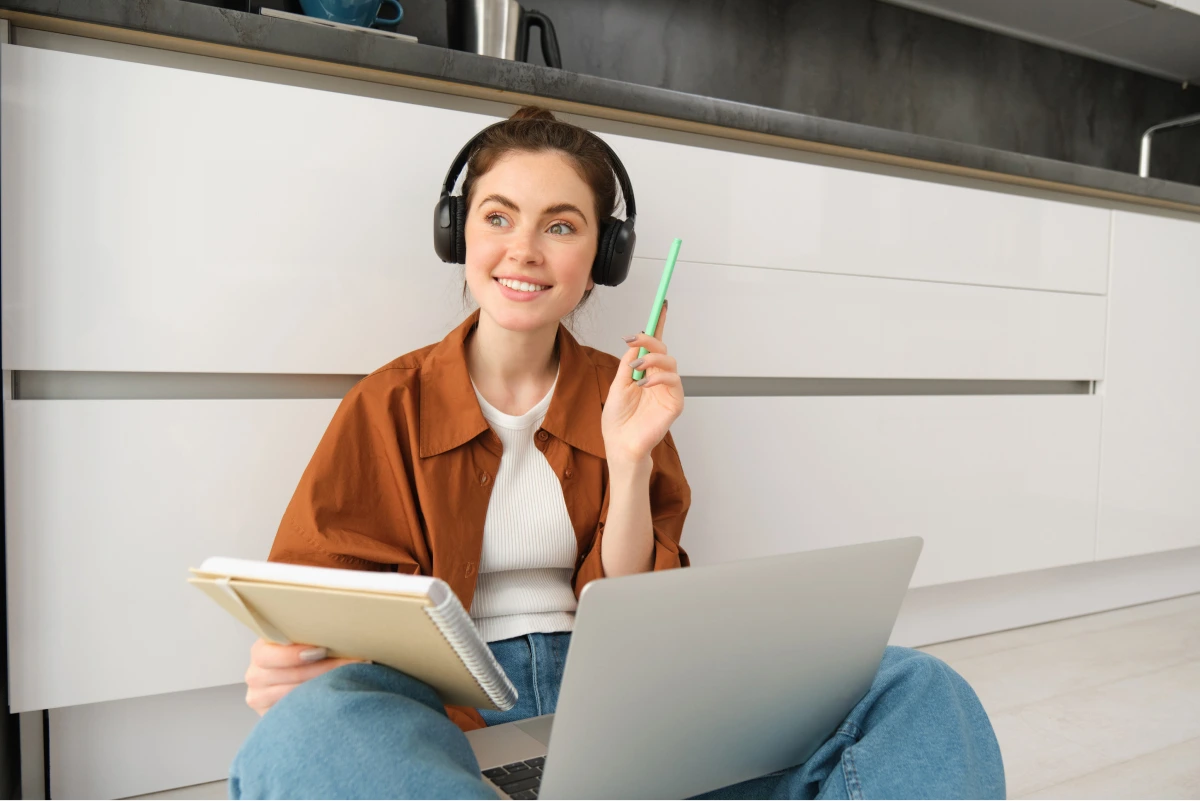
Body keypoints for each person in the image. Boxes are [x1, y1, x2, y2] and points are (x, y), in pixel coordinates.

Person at [229, 106, 1005, 800]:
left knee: (913, 688)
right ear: (457, 230)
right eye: (498, 217)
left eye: (561, 226)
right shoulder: (387, 401)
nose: (524, 249)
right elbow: (323, 609)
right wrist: (303, 667)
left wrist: (630, 458)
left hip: (622, 705)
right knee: (307, 734)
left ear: (605, 255)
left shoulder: (622, 392)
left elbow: (645, 619)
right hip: (445, 718)